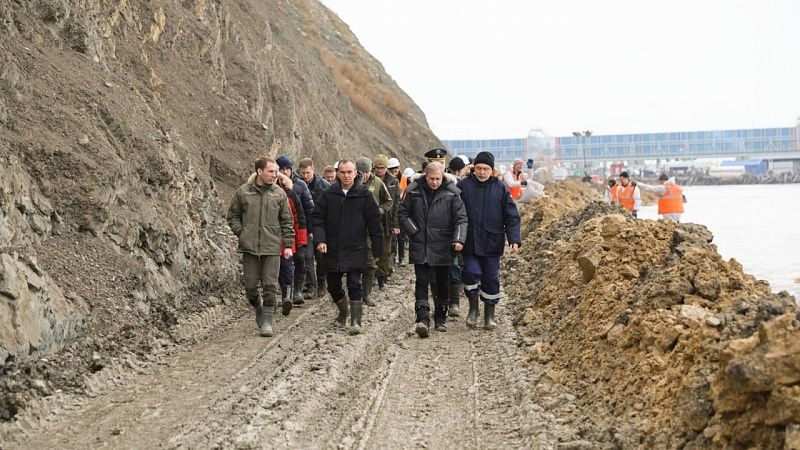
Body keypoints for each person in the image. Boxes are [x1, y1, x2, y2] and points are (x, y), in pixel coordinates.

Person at [311, 160, 383, 335]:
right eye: (342, 172)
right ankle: (343, 310)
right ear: (337, 173)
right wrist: (320, 240)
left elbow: (375, 224)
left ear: (355, 173)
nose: (346, 175)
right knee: (333, 286)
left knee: (354, 283)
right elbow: (317, 218)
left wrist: (378, 250)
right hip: (333, 248)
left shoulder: (364, 195)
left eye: (349, 172)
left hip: (356, 247)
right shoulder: (329, 194)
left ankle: (356, 322)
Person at [226, 157, 295, 337]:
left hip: (272, 247)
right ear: (259, 172)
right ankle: (258, 306)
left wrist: (288, 244)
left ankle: (267, 323)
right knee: (250, 287)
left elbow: (287, 221)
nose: (275, 175)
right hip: (249, 248)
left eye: (276, 171)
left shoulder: (279, 194)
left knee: (270, 286)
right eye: (271, 171)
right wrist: (242, 233)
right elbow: (232, 216)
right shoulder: (243, 192)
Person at [400, 162, 467, 337]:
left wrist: (459, 239)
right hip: (420, 244)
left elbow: (461, 218)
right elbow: (402, 213)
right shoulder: (413, 191)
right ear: (425, 175)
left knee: (442, 281)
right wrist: (414, 231)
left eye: (438, 179)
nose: (435, 182)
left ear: (443, 176)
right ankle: (422, 318)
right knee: (421, 281)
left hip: (443, 244)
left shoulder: (452, 193)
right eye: (432, 179)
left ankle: (440, 318)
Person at [457, 151, 521, 330]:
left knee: (491, 279)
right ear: (473, 169)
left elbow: (511, 216)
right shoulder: (464, 186)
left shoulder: (500, 188)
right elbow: (455, 213)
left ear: (492, 170)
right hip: (470, 241)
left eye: (485, 169)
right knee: (470, 273)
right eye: (478, 168)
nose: (482, 172)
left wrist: (514, 238)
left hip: (492, 242)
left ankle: (489, 315)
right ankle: (473, 309)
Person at [276, 156, 314, 304]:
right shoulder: (273, 187)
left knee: (301, 259)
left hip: (300, 227)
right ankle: (287, 293)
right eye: (282, 169)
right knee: (283, 262)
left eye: (287, 168)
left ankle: (298, 291)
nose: (285, 171)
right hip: (281, 232)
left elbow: (308, 209)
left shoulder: (299, 186)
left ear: (291, 170)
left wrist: (310, 230)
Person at [356, 156, 393, 306]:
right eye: (360, 172)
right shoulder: (351, 184)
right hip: (353, 228)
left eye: (365, 172)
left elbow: (388, 201)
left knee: (371, 262)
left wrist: (379, 211)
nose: (363, 175)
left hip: (371, 227)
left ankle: (367, 294)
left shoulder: (377, 183)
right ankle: (355, 292)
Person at [298, 158, 331, 299]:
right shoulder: (297, 185)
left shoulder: (324, 185)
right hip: (304, 226)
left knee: (321, 257)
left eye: (308, 173)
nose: (305, 176)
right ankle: (310, 286)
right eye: (303, 173)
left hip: (321, 226)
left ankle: (322, 282)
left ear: (313, 170)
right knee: (307, 257)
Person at [275, 172, 308, 314]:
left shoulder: (289, 193)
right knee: (269, 270)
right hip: (265, 239)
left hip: (286, 238)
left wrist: (301, 239)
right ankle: (270, 297)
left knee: (287, 267)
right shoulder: (253, 192)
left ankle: (287, 297)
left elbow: (298, 217)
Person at [373, 155, 400, 290]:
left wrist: (396, 224)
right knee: (371, 248)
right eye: (377, 168)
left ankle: (382, 277)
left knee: (385, 250)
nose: (379, 171)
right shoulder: (370, 180)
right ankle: (371, 274)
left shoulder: (393, 181)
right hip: (372, 219)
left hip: (387, 220)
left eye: (382, 168)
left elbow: (396, 205)